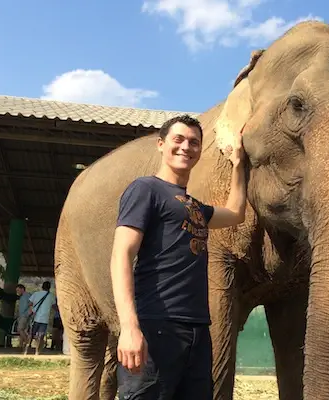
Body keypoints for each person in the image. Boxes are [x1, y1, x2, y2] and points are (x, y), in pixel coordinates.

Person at [112, 114, 247, 399]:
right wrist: (129, 328)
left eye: (194, 142)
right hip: (156, 325)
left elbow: (236, 213)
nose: (186, 147)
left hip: (197, 328)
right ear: (161, 144)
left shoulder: (194, 206)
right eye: (178, 139)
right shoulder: (145, 189)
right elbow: (121, 255)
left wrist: (238, 163)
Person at [25, 281, 57, 355]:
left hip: (35, 317)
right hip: (44, 319)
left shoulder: (36, 294)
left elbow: (29, 303)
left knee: (31, 334)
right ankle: (37, 351)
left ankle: (27, 350)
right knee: (40, 335)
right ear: (49, 288)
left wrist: (32, 309)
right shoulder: (51, 296)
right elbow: (54, 306)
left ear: (42, 287)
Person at [15, 284, 31, 351]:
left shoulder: (27, 295)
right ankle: (21, 346)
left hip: (25, 315)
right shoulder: (22, 297)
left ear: (22, 289)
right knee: (23, 330)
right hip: (21, 315)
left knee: (19, 329)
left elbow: (32, 304)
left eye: (18, 290)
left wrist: (29, 313)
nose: (17, 292)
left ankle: (27, 341)